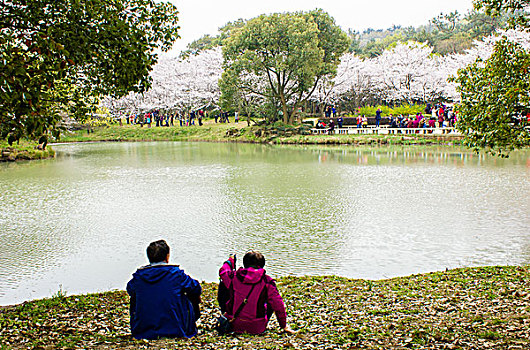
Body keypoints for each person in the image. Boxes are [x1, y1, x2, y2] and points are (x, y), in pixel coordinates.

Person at [127, 240, 202, 340]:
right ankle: (187, 327)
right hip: (176, 330)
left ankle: (143, 326)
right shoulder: (176, 274)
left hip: (142, 332)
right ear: (167, 257)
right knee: (191, 293)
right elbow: (196, 288)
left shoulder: (139, 277)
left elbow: (130, 289)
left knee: (136, 296)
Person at [218, 251, 295, 335]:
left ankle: (227, 314)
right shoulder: (267, 281)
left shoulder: (234, 276)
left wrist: (230, 261)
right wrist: (283, 325)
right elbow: (278, 305)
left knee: (224, 284)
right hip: (257, 328)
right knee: (271, 298)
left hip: (234, 324)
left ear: (245, 264)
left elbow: (223, 271)